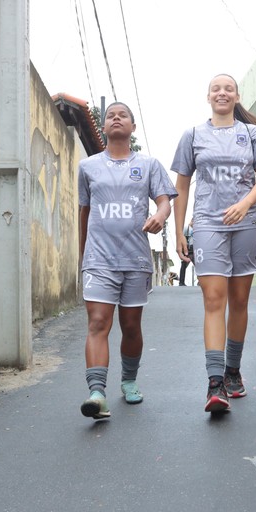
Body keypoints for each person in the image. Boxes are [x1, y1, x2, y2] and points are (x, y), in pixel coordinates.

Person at [171, 73, 256, 412]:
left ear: (236, 96)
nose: (222, 93)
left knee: (239, 299)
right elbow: (182, 187)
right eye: (216, 89)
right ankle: (215, 381)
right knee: (214, 298)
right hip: (207, 224)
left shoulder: (251, 135)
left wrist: (246, 203)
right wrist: (178, 232)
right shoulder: (192, 136)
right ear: (208, 97)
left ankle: (234, 370)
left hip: (246, 223)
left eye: (228, 88)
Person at [78, 101, 177, 420]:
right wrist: (83, 255)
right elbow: (85, 211)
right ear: (104, 127)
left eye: (123, 115)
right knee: (97, 323)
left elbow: (164, 201)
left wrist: (161, 216)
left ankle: (130, 380)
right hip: (99, 260)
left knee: (131, 326)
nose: (116, 118)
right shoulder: (88, 167)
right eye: (110, 115)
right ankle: (96, 393)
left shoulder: (149, 165)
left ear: (132, 128)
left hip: (135, 259)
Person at [178, 220, 194, 286]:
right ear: (192, 221)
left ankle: (201, 281)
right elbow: (181, 237)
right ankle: (181, 282)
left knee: (198, 265)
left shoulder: (194, 229)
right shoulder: (186, 228)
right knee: (184, 265)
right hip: (187, 248)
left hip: (192, 248)